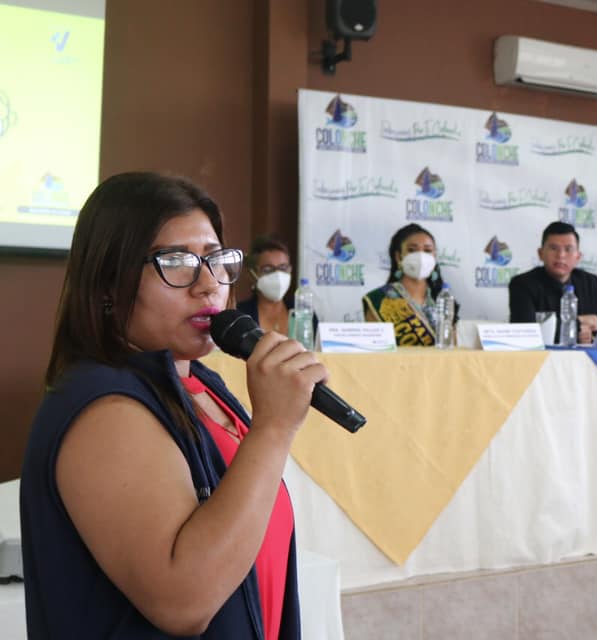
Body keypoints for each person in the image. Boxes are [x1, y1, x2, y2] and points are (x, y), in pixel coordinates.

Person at [19, 172, 327, 638]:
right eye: (177, 261)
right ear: (108, 284)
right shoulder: (105, 410)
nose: (209, 284)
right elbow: (185, 601)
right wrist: (274, 429)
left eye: (216, 259)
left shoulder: (201, 384)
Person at [509, 221, 597, 344]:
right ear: (541, 254)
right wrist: (579, 324)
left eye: (568, 249)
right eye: (553, 248)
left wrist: (595, 332)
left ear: (578, 257)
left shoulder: (590, 282)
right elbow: (525, 331)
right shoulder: (522, 284)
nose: (561, 255)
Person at [362, 223, 456, 346]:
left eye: (427, 250)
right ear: (398, 257)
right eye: (412, 250)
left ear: (434, 257)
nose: (421, 256)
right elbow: (375, 349)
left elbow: (452, 347)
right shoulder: (379, 299)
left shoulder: (442, 298)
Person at [237, 235, 293, 332]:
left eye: (283, 268)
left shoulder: (303, 312)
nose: (278, 274)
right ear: (252, 275)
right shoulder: (240, 316)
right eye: (267, 269)